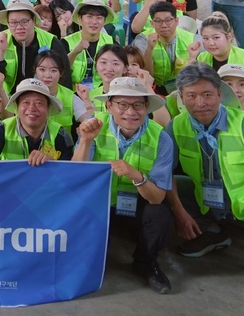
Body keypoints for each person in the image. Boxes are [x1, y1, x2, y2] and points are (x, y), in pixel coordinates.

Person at [164, 63, 244, 299]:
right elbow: (164, 175)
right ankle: (214, 233)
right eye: (191, 96)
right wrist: (180, 213)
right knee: (165, 188)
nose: (200, 103)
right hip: (207, 198)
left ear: (219, 94)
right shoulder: (176, 126)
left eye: (207, 95)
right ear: (182, 100)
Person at [73, 78, 176, 294]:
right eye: (122, 104)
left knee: (161, 215)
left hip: (138, 204)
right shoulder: (93, 127)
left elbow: (157, 197)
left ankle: (145, 263)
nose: (131, 112)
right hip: (101, 204)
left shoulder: (162, 139)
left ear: (146, 107)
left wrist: (135, 175)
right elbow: (75, 177)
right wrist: (85, 141)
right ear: (109, 106)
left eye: (138, 105)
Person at [0, 79, 75, 164]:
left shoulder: (61, 134)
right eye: (26, 102)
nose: (32, 108)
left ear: (48, 108)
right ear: (17, 107)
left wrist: (52, 163)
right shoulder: (3, 128)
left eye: (39, 103)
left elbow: (67, 174)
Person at [0, 0, 69, 92]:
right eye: (13, 23)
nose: (19, 27)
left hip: (44, 98)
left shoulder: (52, 41)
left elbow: (64, 77)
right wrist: (0, 52)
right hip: (7, 100)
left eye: (24, 21)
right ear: (8, 24)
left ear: (33, 21)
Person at [132, 1, 197, 93]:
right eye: (158, 21)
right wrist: (149, 49)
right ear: (152, 23)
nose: (164, 25)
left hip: (185, 86)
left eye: (168, 20)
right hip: (154, 87)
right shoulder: (143, 39)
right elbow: (146, 75)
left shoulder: (191, 38)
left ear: (176, 21)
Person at [65, 0, 116, 89]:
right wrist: (75, 52)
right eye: (89, 16)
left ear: (104, 21)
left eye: (99, 17)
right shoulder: (67, 42)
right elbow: (59, 70)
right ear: (80, 19)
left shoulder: (111, 42)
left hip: (102, 92)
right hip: (73, 92)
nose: (94, 22)